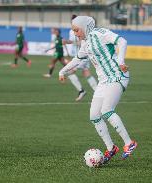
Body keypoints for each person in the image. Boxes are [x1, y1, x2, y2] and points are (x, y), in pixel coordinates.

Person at [59, 16, 137, 164]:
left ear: (85, 27)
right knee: (94, 115)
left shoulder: (100, 33)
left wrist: (121, 61)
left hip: (117, 75)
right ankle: (111, 147)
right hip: (103, 81)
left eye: (77, 30)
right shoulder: (85, 43)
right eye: (73, 31)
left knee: (107, 110)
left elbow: (122, 41)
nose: (75, 33)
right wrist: (62, 71)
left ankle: (129, 143)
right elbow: (77, 59)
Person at [44, 28, 87, 101]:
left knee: (70, 71)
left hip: (77, 57)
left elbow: (67, 44)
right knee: (70, 71)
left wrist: (67, 52)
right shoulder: (58, 39)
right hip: (79, 58)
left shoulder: (61, 38)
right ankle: (81, 90)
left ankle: (82, 91)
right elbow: (70, 43)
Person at [62, 14, 98, 99]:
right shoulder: (72, 30)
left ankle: (82, 91)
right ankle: (97, 92)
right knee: (86, 72)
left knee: (70, 72)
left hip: (83, 54)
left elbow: (81, 42)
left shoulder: (82, 29)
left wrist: (74, 44)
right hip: (80, 54)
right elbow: (72, 41)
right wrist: (66, 41)